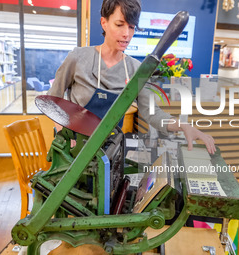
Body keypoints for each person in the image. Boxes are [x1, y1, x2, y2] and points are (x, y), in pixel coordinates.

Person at [48, 0, 216, 154]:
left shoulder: (136, 69)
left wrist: (183, 126)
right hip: (74, 149)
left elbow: (152, 113)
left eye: (132, 27)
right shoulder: (78, 58)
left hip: (109, 150)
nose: (126, 34)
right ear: (104, 23)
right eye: (120, 25)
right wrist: (65, 137)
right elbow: (52, 100)